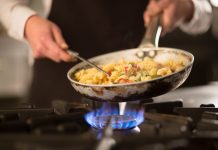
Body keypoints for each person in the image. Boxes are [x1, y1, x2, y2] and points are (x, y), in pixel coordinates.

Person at [0, 0, 212, 105]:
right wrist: (27, 22)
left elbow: (206, 8)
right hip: (55, 89)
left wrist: (188, 6)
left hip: (141, 100)